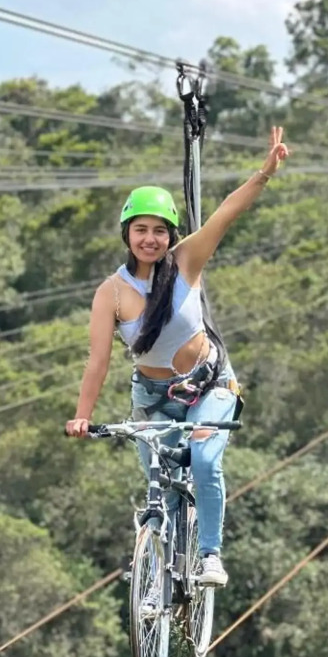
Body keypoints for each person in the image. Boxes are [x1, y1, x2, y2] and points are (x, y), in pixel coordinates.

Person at [65, 127, 290, 588]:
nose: (150, 239)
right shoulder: (110, 292)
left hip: (208, 386)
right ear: (126, 234)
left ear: (171, 235)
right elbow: (98, 361)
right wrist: (82, 417)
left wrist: (264, 173)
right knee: (158, 482)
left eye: (159, 231)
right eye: (141, 230)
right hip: (152, 399)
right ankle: (159, 582)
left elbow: (227, 213)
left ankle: (209, 554)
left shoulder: (187, 261)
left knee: (205, 462)